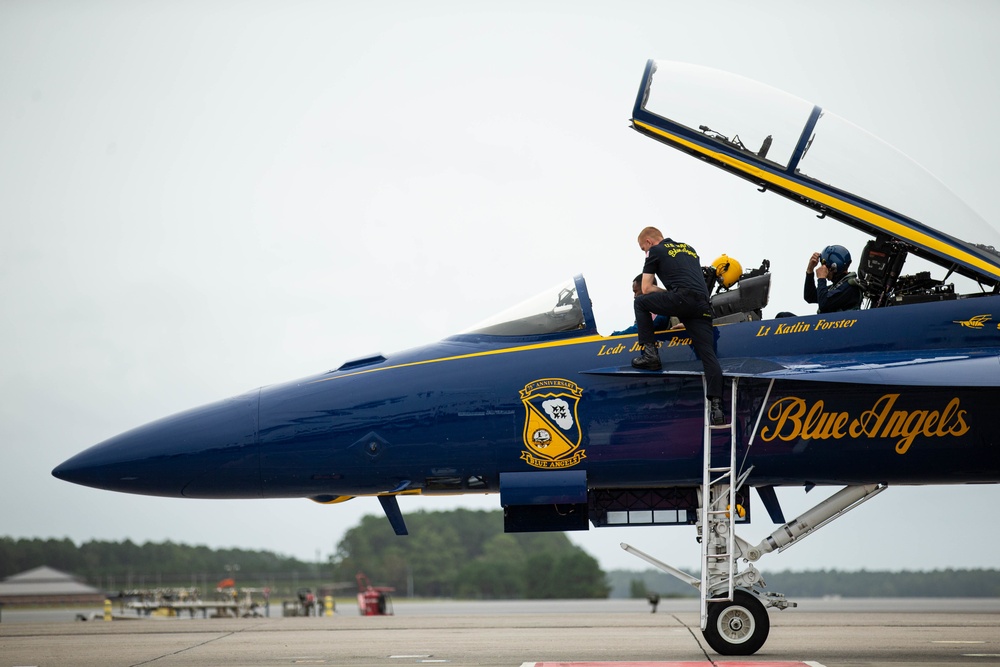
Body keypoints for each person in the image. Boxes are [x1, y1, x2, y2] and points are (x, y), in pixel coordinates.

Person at [631, 227, 725, 425]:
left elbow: (646, 288)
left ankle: (650, 355)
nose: (645, 252)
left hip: (682, 298)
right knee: (708, 354)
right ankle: (717, 408)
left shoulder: (655, 251)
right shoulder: (690, 249)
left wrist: (668, 296)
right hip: (703, 305)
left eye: (643, 248)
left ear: (648, 242)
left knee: (640, 302)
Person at [804, 245, 862, 313]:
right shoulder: (836, 287)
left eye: (826, 266)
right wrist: (810, 270)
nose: (823, 268)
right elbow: (810, 297)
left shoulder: (850, 287)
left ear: (834, 268)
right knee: (788, 315)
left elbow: (824, 304)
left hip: (842, 323)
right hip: (827, 322)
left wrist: (821, 278)